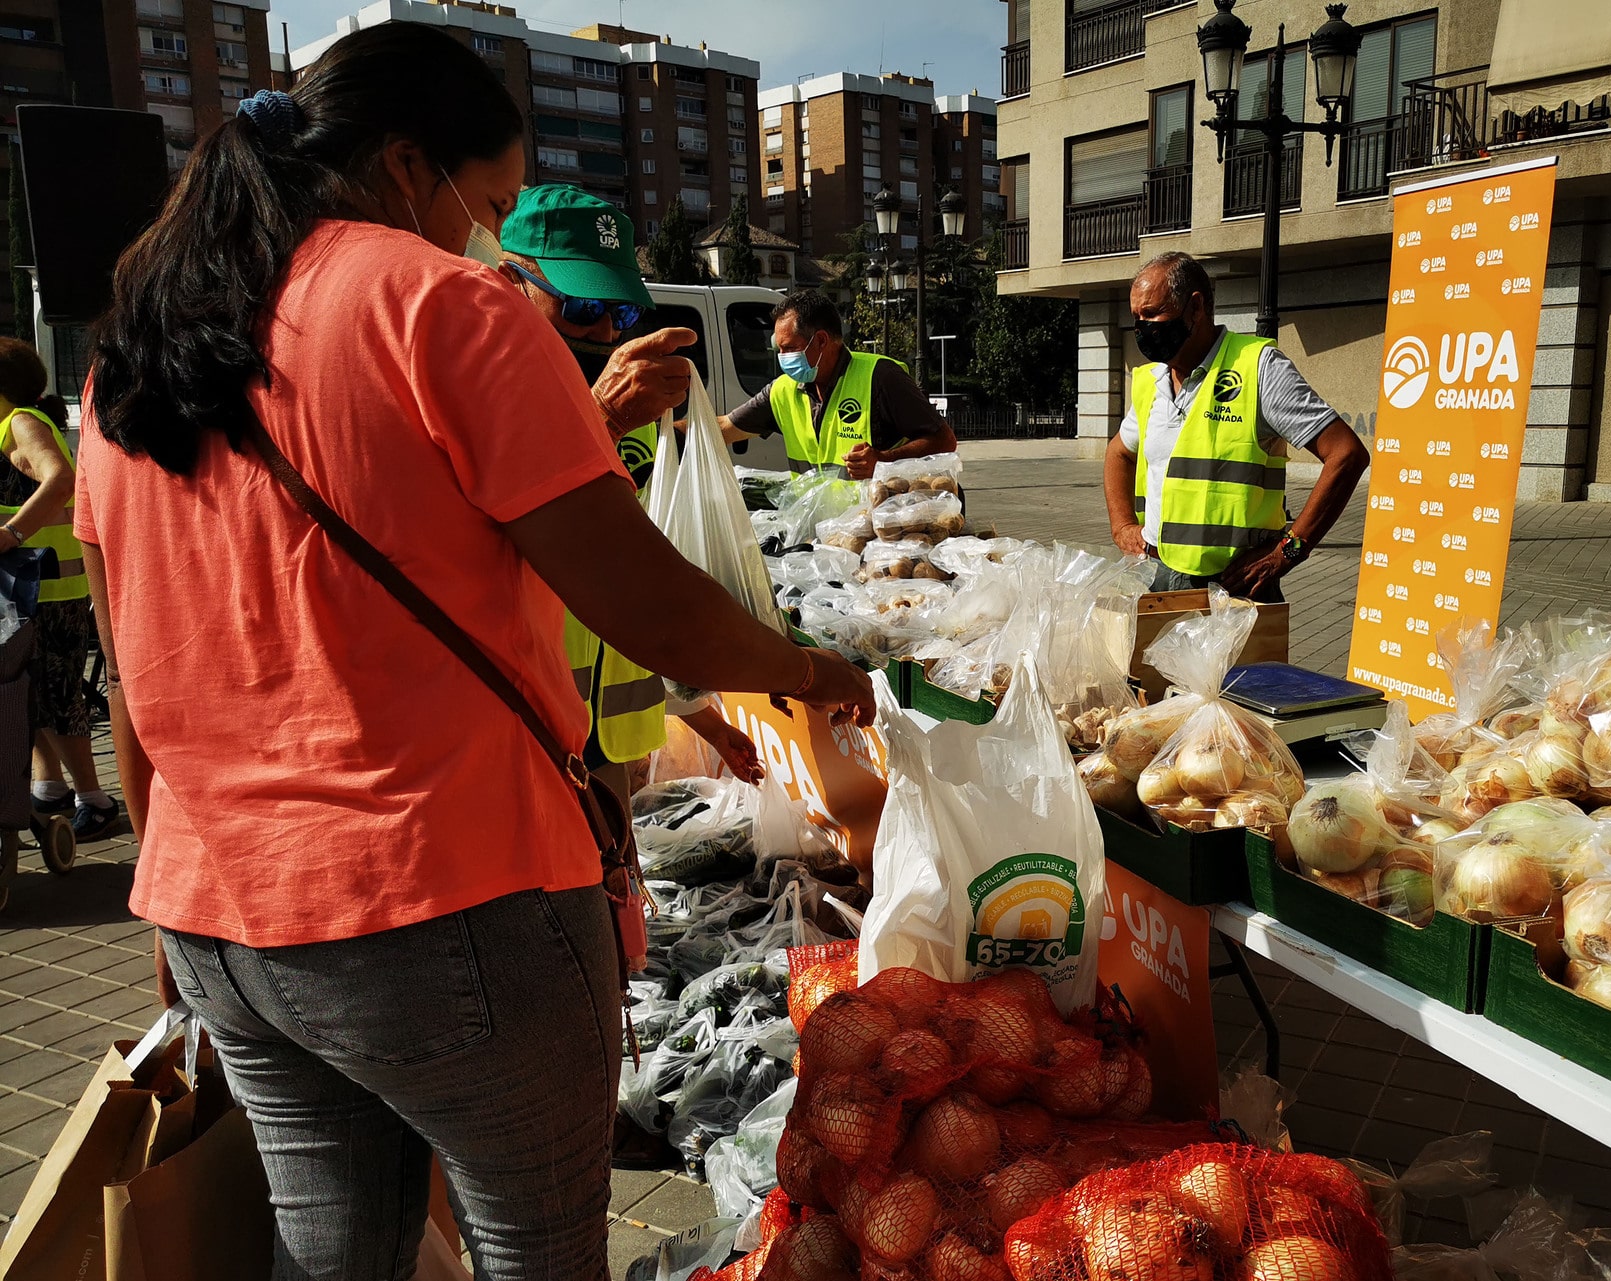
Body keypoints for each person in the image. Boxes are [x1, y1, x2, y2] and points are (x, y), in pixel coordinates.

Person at [79, 26, 873, 1281]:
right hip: (437, 901)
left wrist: (168, 897)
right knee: (535, 1254)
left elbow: (133, 666)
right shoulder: (438, 306)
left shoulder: (140, 350)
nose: (490, 239)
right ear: (408, 166)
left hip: (216, 915)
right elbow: (653, 611)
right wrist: (824, 675)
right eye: (489, 204)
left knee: (330, 1252)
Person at [497, 184, 760, 799]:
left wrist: (706, 722)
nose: (607, 330)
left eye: (623, 310)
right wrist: (604, 419)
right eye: (584, 307)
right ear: (510, 284)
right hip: (528, 750)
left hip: (607, 752)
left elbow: (634, 587)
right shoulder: (491, 403)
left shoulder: (632, 423)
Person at [1104, 251, 1369, 602]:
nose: (1142, 328)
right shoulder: (1151, 381)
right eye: (1136, 317)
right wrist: (1122, 526)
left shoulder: (1258, 368)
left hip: (1236, 587)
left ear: (1195, 308)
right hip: (1160, 574)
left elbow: (1346, 454)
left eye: (1152, 314)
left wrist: (1287, 552)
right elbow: (1119, 453)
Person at [0, 341, 121, 839]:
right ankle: (49, 788)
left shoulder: (20, 423)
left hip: (50, 587)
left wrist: (11, 535)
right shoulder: (7, 425)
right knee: (24, 693)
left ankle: (94, 798)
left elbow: (61, 480)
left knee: (59, 695)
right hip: (27, 587)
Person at [718, 288, 956, 479]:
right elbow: (723, 428)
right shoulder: (783, 390)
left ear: (821, 340)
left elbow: (943, 440)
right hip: (821, 529)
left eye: (789, 348)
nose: (782, 357)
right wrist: (680, 427)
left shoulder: (881, 377)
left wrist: (884, 460)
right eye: (778, 349)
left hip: (876, 529)